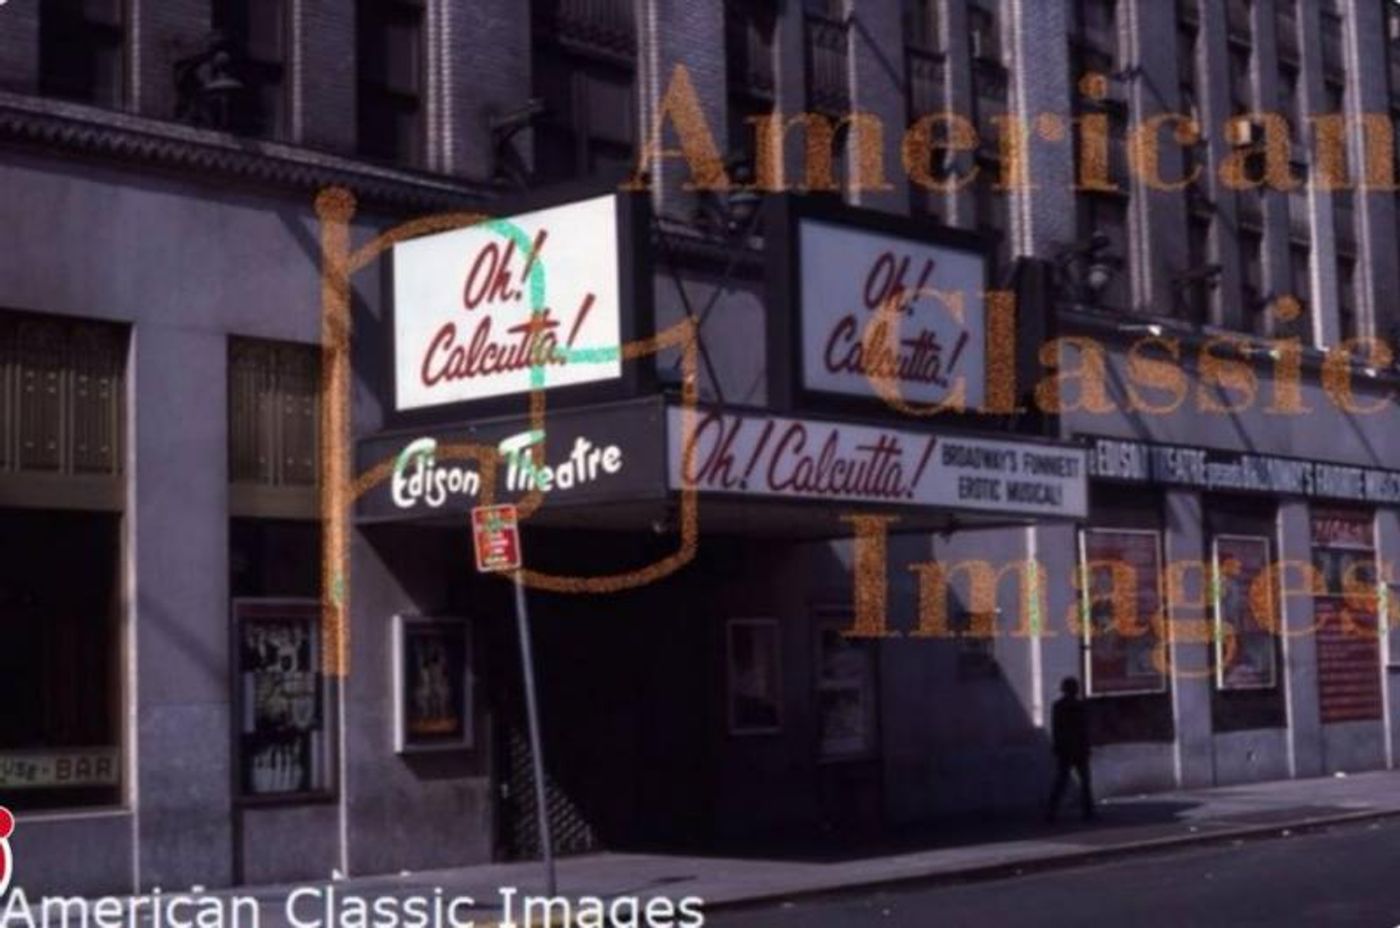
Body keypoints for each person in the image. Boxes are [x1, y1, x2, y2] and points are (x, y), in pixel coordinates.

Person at [1046, 676, 1095, 822]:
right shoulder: (1079, 706)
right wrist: (1087, 747)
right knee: (1084, 781)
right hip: (1078, 748)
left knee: (1062, 781)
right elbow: (1083, 729)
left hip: (1066, 749)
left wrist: (1057, 747)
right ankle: (1088, 812)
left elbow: (1057, 729)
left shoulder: (1058, 706)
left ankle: (1051, 811)